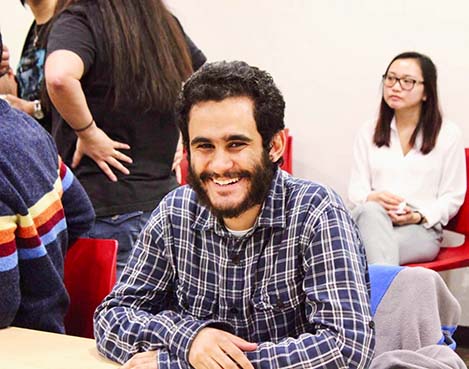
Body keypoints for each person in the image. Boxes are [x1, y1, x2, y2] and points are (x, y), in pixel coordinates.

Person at [94, 61, 375, 369]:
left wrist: (189, 365)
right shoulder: (174, 213)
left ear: (275, 145)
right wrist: (189, 339)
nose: (219, 165)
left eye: (236, 144)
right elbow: (112, 316)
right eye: (204, 146)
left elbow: (346, 349)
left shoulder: (316, 212)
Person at [45, 0, 206, 275]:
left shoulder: (81, 20)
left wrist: (88, 132)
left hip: (107, 207)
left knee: (115, 315)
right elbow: (204, 80)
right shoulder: (163, 23)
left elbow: (60, 77)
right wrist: (184, 130)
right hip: (164, 203)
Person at [0, 32, 94, 334]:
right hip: (48, 331)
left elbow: (3, 305)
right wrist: (42, 268)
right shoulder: (27, 127)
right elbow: (81, 214)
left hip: (20, 346)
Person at [348, 51, 466, 265]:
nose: (395, 86)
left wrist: (418, 216)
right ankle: (387, 297)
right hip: (373, 219)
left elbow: (452, 196)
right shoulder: (368, 131)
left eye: (407, 81)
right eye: (391, 78)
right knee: (371, 214)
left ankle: (373, 293)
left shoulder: (448, 134)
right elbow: (356, 190)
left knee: (360, 252)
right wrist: (371, 198)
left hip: (420, 229)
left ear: (426, 92)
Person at [0, 0, 56, 132]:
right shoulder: (34, 31)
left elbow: (88, 96)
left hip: (68, 144)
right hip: (37, 142)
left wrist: (32, 109)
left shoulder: (72, 27)